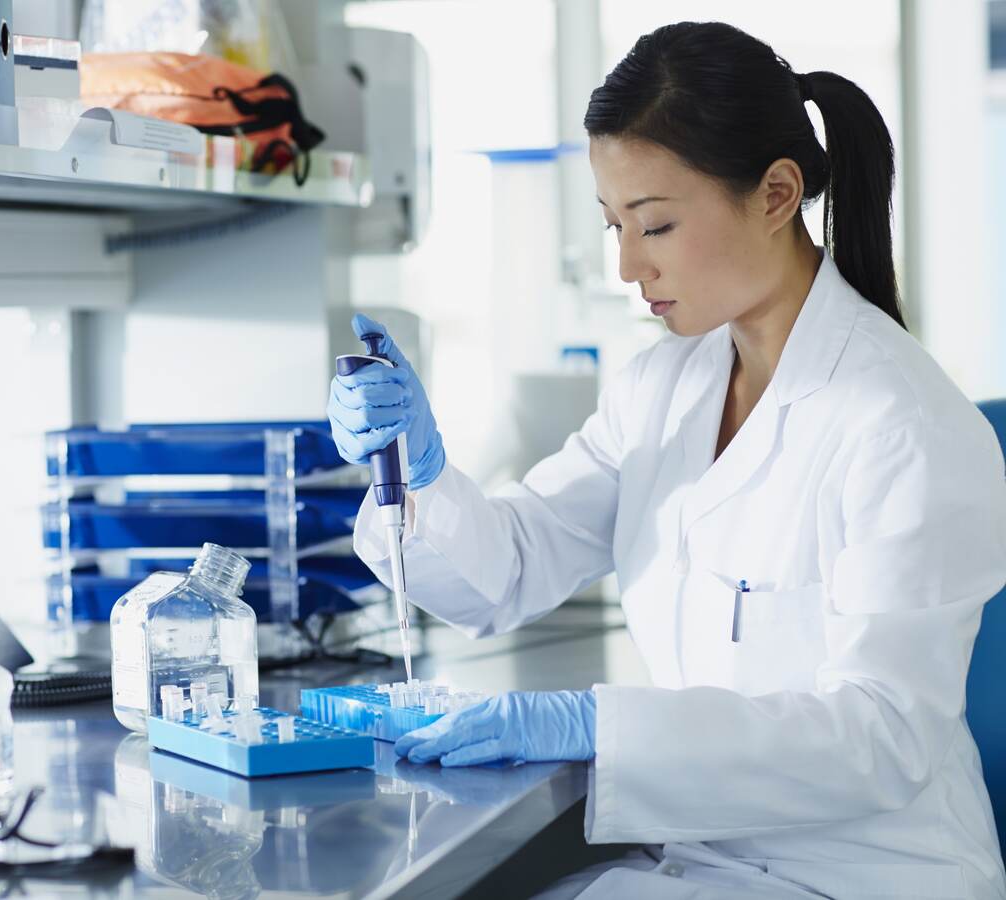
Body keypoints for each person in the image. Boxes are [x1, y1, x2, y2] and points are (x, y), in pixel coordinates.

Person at [326, 19, 1006, 900]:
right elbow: (510, 568)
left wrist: (592, 724)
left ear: (774, 193)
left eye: (655, 225)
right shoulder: (662, 387)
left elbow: (879, 738)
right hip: (708, 863)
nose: (625, 265)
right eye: (614, 225)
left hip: (869, 877)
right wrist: (419, 477)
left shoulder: (903, 425)